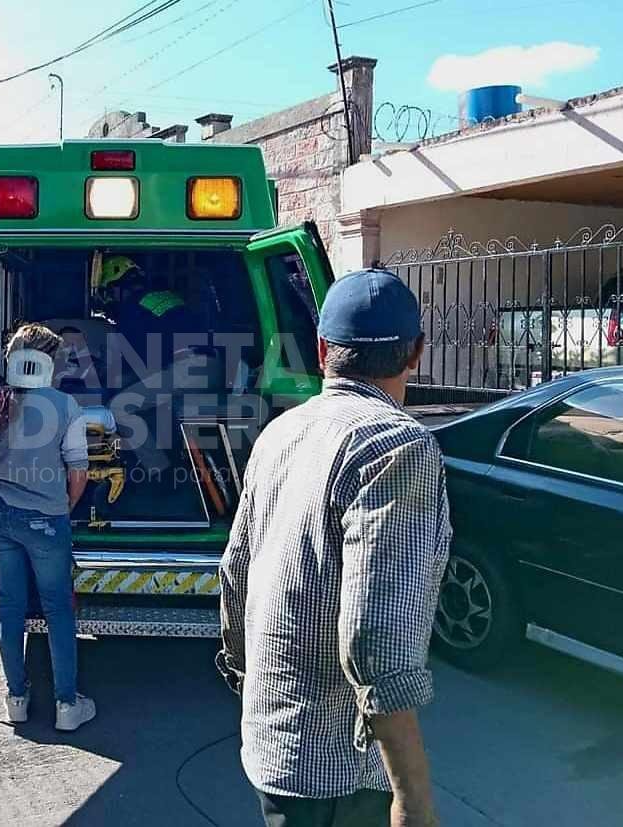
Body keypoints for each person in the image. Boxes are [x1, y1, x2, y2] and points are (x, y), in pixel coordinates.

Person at [218, 269, 451, 827]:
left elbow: (236, 572)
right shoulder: (397, 445)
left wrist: (249, 681)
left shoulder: (281, 432)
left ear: (323, 351)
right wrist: (413, 800)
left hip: (272, 744)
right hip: (338, 772)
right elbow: (377, 636)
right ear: (416, 353)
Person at [0, 323, 96, 732]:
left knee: (10, 607)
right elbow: (78, 471)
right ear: (47, 363)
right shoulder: (65, 406)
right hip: (46, 520)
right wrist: (62, 506)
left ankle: (16, 700)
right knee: (58, 608)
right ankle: (66, 704)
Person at [96, 255, 198, 373]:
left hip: (172, 373)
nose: (111, 299)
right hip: (198, 367)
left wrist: (106, 368)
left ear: (118, 286)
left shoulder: (132, 310)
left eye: (110, 292)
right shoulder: (167, 296)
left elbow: (134, 360)